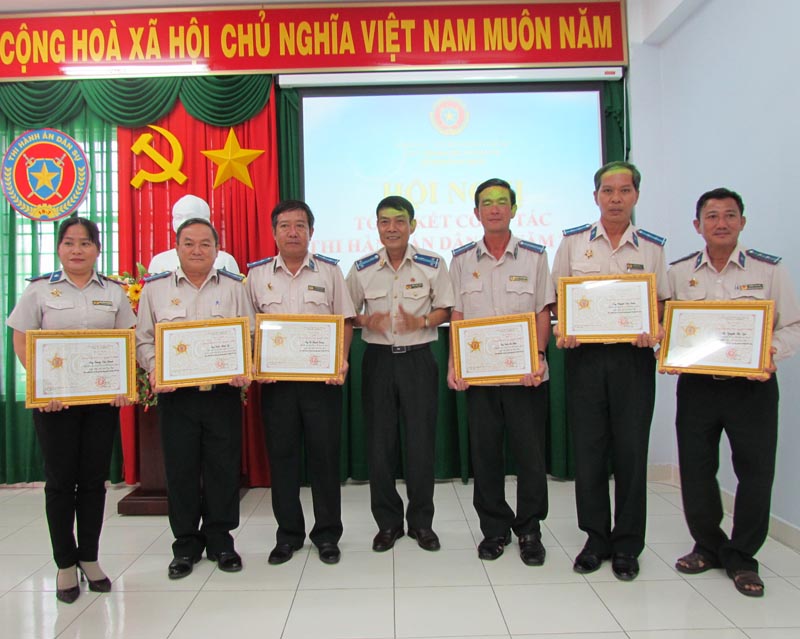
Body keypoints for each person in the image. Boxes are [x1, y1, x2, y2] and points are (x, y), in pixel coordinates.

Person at [666, 187, 800, 597]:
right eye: (712, 216)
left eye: (729, 215)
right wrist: (663, 346)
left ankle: (742, 556)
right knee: (696, 469)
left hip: (752, 388)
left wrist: (768, 353)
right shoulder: (679, 273)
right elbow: (668, 327)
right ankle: (708, 546)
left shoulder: (769, 271)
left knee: (755, 472)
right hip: (698, 387)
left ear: (742, 222)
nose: (720, 223)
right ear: (698, 225)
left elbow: (793, 325)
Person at [6, 217, 136, 604]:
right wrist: (41, 385)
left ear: (98, 249)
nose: (77, 249)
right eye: (69, 242)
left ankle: (90, 558)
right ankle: (65, 563)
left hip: (100, 403)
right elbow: (21, 340)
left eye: (85, 242)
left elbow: (126, 340)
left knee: (94, 481)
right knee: (61, 482)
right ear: (59, 248)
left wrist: (122, 385)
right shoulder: (38, 290)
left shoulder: (113, 292)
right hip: (55, 404)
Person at [550, 160, 669, 581]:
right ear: (596, 196)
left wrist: (654, 328)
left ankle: (628, 545)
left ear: (636, 195)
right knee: (589, 451)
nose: (615, 199)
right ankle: (595, 539)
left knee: (632, 452)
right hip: (584, 358)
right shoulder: (573, 244)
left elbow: (661, 302)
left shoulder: (651, 248)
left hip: (632, 360)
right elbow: (557, 300)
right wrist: (564, 328)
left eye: (624, 191)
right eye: (608, 191)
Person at [136, 217, 253, 579]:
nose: (197, 250)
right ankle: (185, 544)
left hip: (222, 394)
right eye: (189, 243)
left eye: (205, 243)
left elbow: (249, 334)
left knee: (222, 468)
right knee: (181, 470)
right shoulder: (155, 289)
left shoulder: (234, 287)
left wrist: (244, 365)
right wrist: (155, 368)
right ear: (177, 248)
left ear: (217, 250)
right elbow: (143, 339)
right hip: (177, 397)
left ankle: (221, 540)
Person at [447, 178, 553, 565]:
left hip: (526, 376)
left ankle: (529, 529)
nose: (495, 208)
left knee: (530, 457)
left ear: (514, 209)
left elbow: (543, 310)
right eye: (487, 203)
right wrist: (455, 363)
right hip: (480, 377)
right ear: (476, 213)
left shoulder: (535, 257)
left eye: (502, 202)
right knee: (485, 455)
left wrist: (538, 356)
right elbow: (458, 315)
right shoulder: (461, 261)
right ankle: (494, 529)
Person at [246, 199, 355, 565]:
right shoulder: (257, 276)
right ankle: (288, 535)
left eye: (300, 226)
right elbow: (247, 329)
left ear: (311, 231)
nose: (292, 232)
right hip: (276, 385)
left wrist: (341, 360)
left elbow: (345, 321)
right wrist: (257, 363)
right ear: (274, 232)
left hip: (321, 384)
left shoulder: (330, 272)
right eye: (285, 226)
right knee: (283, 460)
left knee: (325, 459)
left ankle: (327, 534)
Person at [346, 195, 454, 552]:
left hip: (418, 360)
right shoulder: (362, 268)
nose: (391, 228)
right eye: (384, 221)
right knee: (380, 446)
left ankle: (421, 523)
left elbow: (446, 308)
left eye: (399, 221)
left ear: (413, 225)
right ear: (377, 226)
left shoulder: (432, 264)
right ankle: (388, 524)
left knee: (420, 444)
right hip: (377, 361)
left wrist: (421, 321)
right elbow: (347, 312)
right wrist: (366, 320)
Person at [147, 194, 239, 274]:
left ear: (206, 220)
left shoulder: (225, 261)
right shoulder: (159, 261)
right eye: (179, 217)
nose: (183, 222)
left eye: (190, 217)